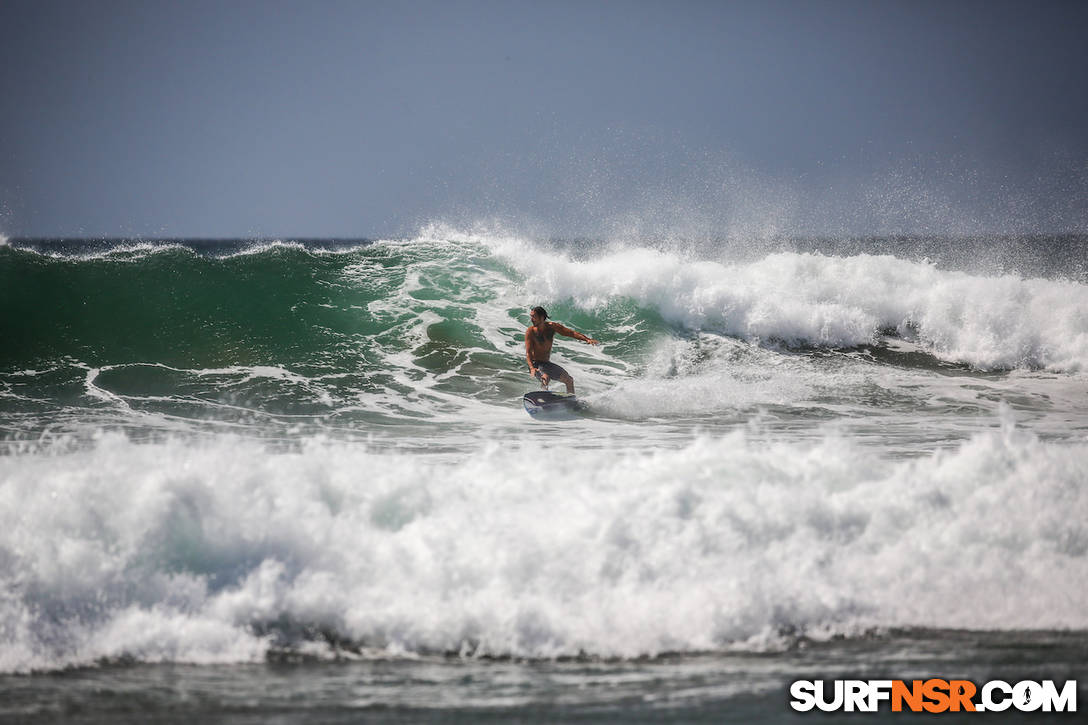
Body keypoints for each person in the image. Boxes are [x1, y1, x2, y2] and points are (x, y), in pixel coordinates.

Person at [524, 306, 598, 394]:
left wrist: (587, 339)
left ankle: (571, 401)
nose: (531, 319)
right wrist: (532, 368)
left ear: (542, 317)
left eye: (534, 317)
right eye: (531, 316)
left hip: (547, 364)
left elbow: (571, 333)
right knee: (545, 377)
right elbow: (528, 353)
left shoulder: (552, 327)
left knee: (569, 380)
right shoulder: (530, 332)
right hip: (535, 364)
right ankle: (544, 398)